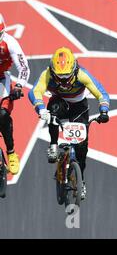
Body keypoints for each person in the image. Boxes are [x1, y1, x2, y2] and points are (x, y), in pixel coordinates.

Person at [28, 47, 110, 199]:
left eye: (67, 76)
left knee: (82, 149)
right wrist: (40, 109)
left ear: (74, 69)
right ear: (53, 71)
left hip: (79, 107)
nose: (64, 80)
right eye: (60, 76)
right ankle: (53, 144)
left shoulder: (82, 74)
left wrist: (104, 111)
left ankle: (81, 179)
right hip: (59, 103)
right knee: (51, 110)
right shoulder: (46, 74)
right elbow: (35, 91)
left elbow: (101, 92)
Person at [0, 13, 30, 175]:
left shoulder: (10, 43)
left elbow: (24, 67)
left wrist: (18, 86)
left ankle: (11, 152)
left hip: (1, 80)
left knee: (3, 115)